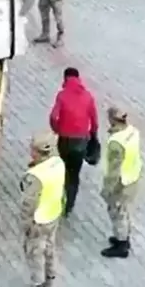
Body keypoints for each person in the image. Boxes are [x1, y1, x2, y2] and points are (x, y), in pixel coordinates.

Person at [14, 132, 65, 287]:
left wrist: (25, 225)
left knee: (35, 254)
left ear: (37, 151)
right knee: (50, 249)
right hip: (53, 214)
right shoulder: (58, 163)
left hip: (39, 221)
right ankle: (50, 284)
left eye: (32, 149)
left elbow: (29, 204)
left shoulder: (35, 176)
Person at [49, 67, 98, 217]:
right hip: (81, 140)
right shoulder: (88, 96)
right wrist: (93, 134)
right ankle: (69, 206)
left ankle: (58, 199)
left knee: (62, 169)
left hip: (65, 139)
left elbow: (53, 117)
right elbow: (94, 121)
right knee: (74, 174)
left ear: (65, 79)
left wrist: (57, 129)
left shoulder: (62, 96)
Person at [100, 107, 142, 259]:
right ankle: (123, 237)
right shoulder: (133, 131)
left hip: (121, 182)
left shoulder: (116, 142)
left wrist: (107, 189)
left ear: (113, 119)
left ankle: (121, 244)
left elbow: (114, 170)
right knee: (123, 210)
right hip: (133, 176)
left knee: (117, 212)